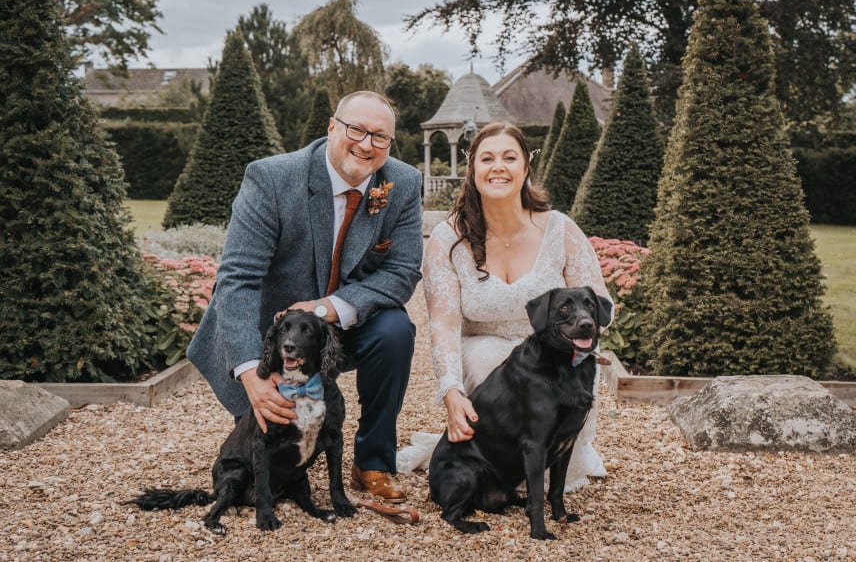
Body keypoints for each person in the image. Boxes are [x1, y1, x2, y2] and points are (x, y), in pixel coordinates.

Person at [188, 91, 423, 503]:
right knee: (268, 442)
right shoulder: (272, 178)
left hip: (345, 322)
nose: (367, 144)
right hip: (275, 333)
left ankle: (372, 461)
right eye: (356, 130)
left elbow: (402, 271)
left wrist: (325, 308)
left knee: (395, 329)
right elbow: (238, 278)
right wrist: (251, 374)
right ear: (332, 127)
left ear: (390, 144)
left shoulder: (401, 184)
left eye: (380, 137)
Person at [397, 122, 613, 492]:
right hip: (488, 362)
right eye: (488, 158)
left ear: (526, 167)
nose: (498, 166)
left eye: (509, 157)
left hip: (556, 357)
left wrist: (583, 345)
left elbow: (599, 302)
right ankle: (489, 461)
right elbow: (444, 326)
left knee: (567, 377)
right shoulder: (448, 240)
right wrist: (450, 391)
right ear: (473, 169)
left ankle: (554, 464)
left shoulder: (560, 229)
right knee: (492, 360)